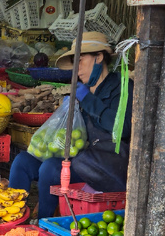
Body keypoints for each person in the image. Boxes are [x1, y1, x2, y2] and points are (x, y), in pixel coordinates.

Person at [8, 32, 132, 219]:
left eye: (81, 61)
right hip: (77, 159)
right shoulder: (81, 91)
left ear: (99, 57)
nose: (77, 70)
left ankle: (44, 225)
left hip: (104, 167)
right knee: (22, 162)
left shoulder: (122, 87)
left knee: (50, 168)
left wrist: (88, 100)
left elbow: (121, 128)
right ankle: (15, 221)